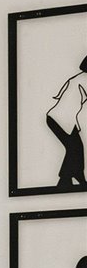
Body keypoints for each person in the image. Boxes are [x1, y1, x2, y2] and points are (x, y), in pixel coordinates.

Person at [48, 56, 87, 190]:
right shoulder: (84, 79)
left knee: (75, 149)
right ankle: (75, 177)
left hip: (59, 120)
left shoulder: (77, 78)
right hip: (62, 121)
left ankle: (68, 179)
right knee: (75, 149)